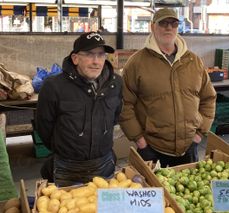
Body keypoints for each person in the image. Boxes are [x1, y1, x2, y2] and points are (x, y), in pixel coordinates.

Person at [119, 8, 216, 167]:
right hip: (152, 149)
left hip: (189, 148)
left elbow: (209, 98)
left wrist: (199, 135)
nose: (169, 27)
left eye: (173, 23)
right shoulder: (136, 63)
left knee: (186, 191)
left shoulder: (193, 61)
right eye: (163, 23)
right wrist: (140, 141)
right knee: (155, 190)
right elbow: (125, 105)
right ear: (152, 27)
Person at [36, 31, 122, 186]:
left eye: (101, 55)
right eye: (89, 54)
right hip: (67, 167)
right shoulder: (54, 86)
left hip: (104, 162)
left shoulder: (115, 83)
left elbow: (115, 117)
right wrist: (66, 149)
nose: (96, 61)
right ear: (75, 58)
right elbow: (44, 127)